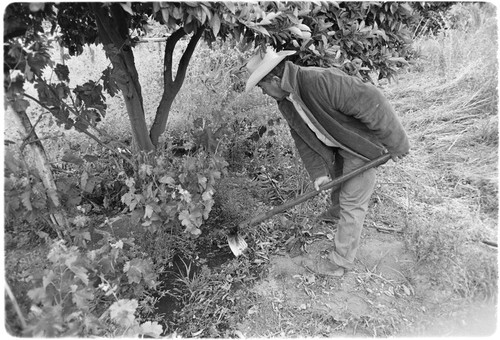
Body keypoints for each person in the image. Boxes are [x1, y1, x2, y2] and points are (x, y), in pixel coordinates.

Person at [245, 47, 410, 277]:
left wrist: (398, 143)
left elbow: (373, 99)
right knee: (338, 184)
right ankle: (335, 213)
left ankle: (339, 263)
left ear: (274, 79)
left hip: (359, 145)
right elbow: (302, 139)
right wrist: (318, 174)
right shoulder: (286, 102)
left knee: (353, 202)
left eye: (262, 87)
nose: (263, 93)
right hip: (337, 143)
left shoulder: (320, 80)